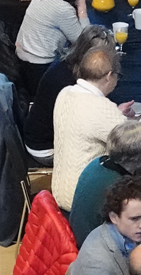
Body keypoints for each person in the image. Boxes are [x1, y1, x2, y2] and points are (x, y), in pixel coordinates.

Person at [50, 41, 130, 214]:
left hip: (58, 193)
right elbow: (133, 142)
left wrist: (116, 113)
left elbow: (90, 122)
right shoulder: (100, 106)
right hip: (84, 200)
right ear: (109, 76)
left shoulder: (65, 93)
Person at [24, 25, 113, 164]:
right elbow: (80, 127)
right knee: (108, 154)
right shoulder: (69, 83)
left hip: (39, 135)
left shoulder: (68, 64)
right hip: (46, 148)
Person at [68, 118, 141, 245]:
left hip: (78, 233)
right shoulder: (121, 188)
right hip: (96, 246)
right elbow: (132, 235)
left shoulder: (98, 162)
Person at [13, 0, 88, 95]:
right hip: (39, 68)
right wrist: (82, 7)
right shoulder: (61, 7)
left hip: (23, 58)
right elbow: (84, 41)